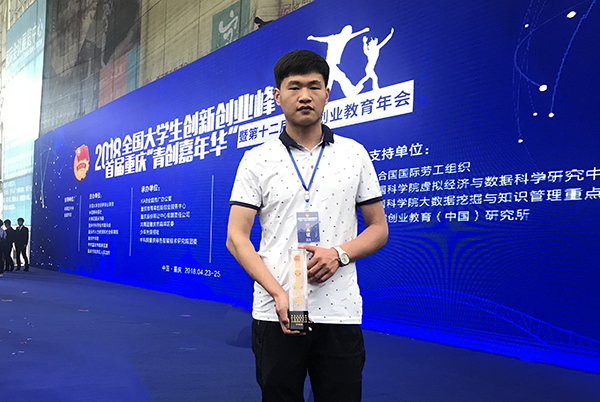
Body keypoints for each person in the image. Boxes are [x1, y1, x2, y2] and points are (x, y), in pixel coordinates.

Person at [226, 49, 388, 402]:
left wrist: (339, 254)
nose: (305, 96)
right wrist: (278, 294)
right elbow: (236, 237)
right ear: (277, 95)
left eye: (314, 87)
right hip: (277, 310)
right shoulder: (257, 159)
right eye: (294, 87)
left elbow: (378, 228)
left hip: (339, 311)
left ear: (327, 94)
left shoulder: (354, 154)